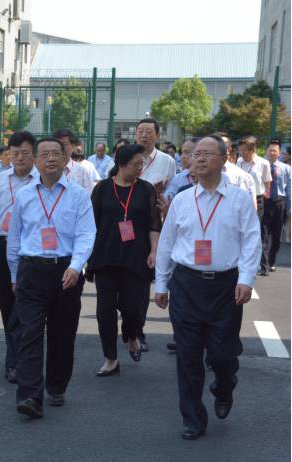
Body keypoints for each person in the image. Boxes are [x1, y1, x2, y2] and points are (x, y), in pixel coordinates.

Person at [155, 135, 261, 440]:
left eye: (206, 154)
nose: (199, 159)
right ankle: (192, 418)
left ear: (224, 158)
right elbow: (167, 243)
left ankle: (224, 385)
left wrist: (245, 279)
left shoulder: (239, 199)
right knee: (187, 356)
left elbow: (251, 240)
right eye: (195, 154)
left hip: (225, 288)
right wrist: (162, 283)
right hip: (186, 285)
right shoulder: (183, 200)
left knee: (221, 355)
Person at [7, 137, 96, 418]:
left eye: (56, 153)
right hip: (31, 270)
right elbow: (14, 237)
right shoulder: (23, 195)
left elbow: (86, 233)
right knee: (29, 333)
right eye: (44, 154)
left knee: (62, 333)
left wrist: (76, 265)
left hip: (65, 271)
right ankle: (30, 395)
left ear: (65, 158)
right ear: (35, 160)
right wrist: (14, 273)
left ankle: (57, 385)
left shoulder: (79, 195)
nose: (50, 158)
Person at [88, 144, 161, 376]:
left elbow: (153, 223)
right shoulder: (102, 189)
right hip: (106, 257)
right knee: (105, 311)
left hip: (136, 257)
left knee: (133, 308)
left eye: (142, 164)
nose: (140, 168)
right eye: (135, 164)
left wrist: (154, 251)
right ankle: (110, 358)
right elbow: (91, 224)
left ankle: (131, 334)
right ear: (121, 164)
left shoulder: (146, 190)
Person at [0, 130, 38, 384]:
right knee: (8, 302)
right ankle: (15, 351)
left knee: (24, 302)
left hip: (32, 248)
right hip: (2, 245)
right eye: (14, 153)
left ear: (34, 155)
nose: (18, 158)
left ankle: (16, 359)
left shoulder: (41, 180)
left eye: (24, 153)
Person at [236, 136, 272, 276]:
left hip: (257, 199)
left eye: (244, 151)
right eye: (240, 151)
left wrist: (263, 197)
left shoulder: (263, 163)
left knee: (255, 231)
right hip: (240, 199)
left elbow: (267, 183)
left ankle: (260, 265)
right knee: (240, 231)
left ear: (252, 150)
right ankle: (241, 262)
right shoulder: (239, 162)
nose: (242, 154)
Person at [262, 140, 290, 272]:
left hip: (280, 202)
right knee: (264, 234)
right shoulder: (261, 165)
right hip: (265, 202)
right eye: (270, 150)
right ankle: (264, 264)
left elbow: (289, 188)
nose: (272, 152)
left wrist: (289, 207)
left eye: (274, 150)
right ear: (266, 151)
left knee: (277, 235)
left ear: (279, 153)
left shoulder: (286, 168)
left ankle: (272, 260)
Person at [52, 128, 98, 193]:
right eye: (57, 144)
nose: (61, 148)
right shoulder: (47, 170)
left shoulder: (82, 171)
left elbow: (90, 195)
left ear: (73, 146)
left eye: (64, 144)